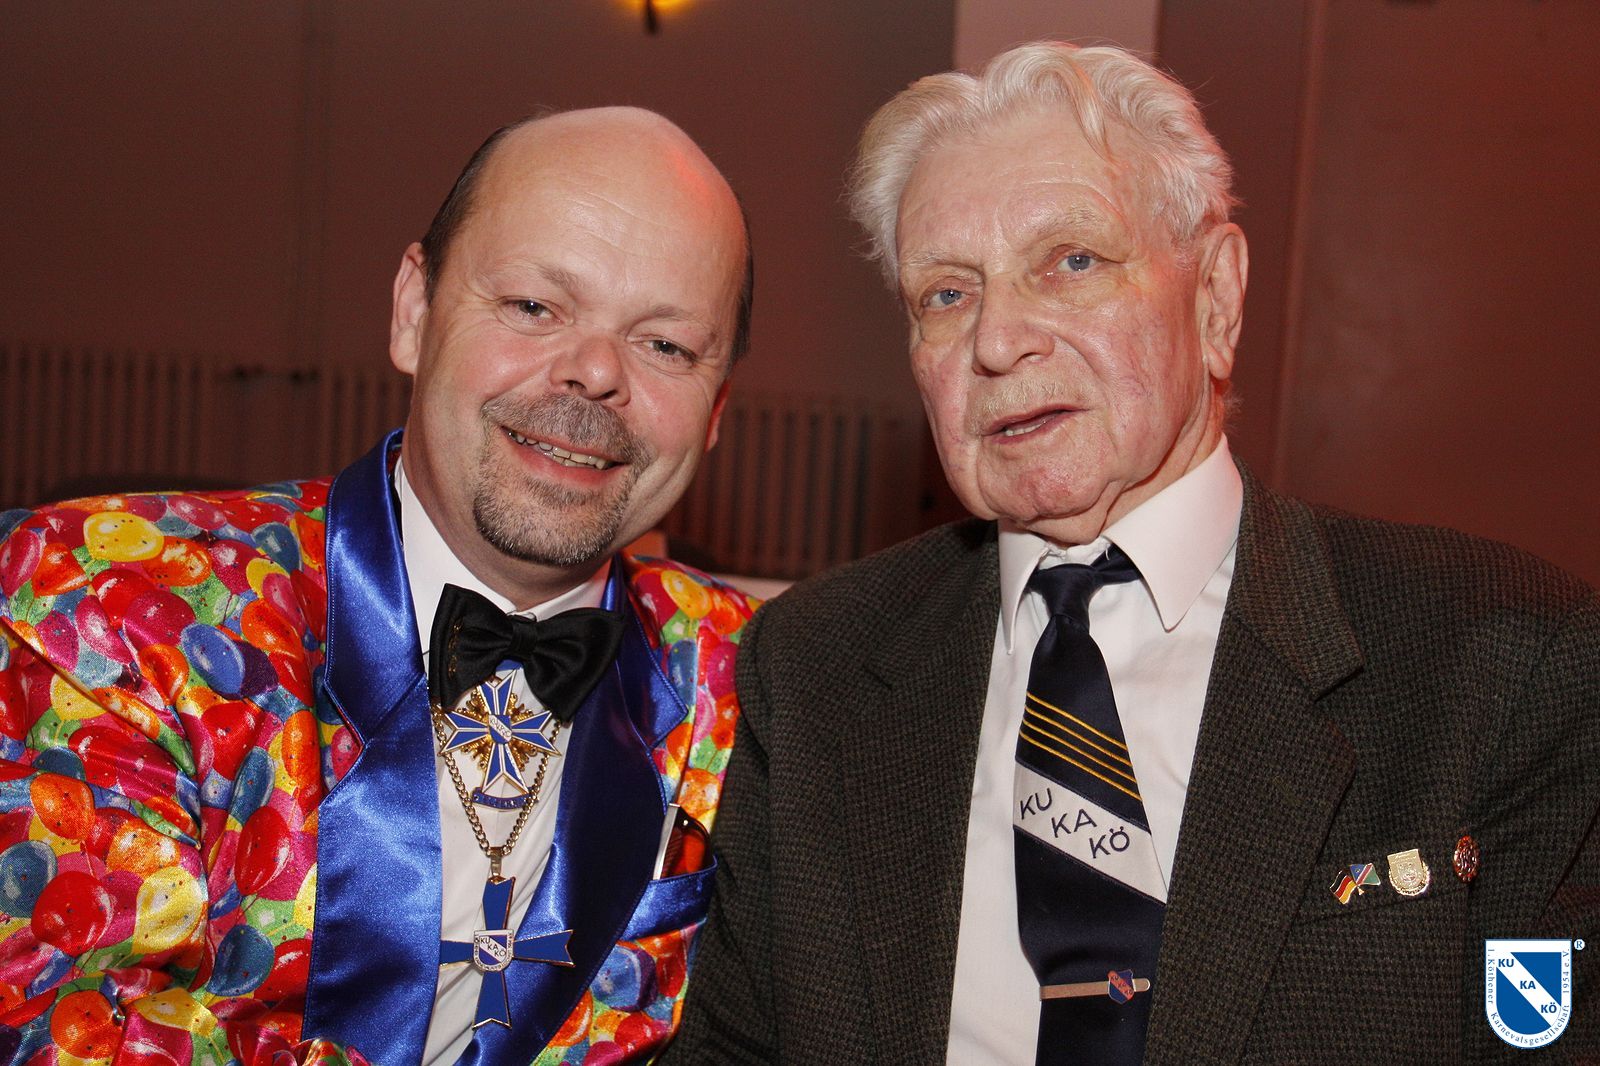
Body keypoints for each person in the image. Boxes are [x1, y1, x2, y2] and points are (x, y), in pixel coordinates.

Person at [667, 42, 1600, 1064]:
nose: (997, 340)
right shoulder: (814, 667)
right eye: (946, 294)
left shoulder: (1503, 662)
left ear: (1215, 299)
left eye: (1071, 261)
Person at [0, 106, 757, 1064]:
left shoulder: (756, 680)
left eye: (667, 346)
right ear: (413, 311)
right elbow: (60, 1029)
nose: (596, 372)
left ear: (716, 409)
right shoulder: (103, 603)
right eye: (534, 306)